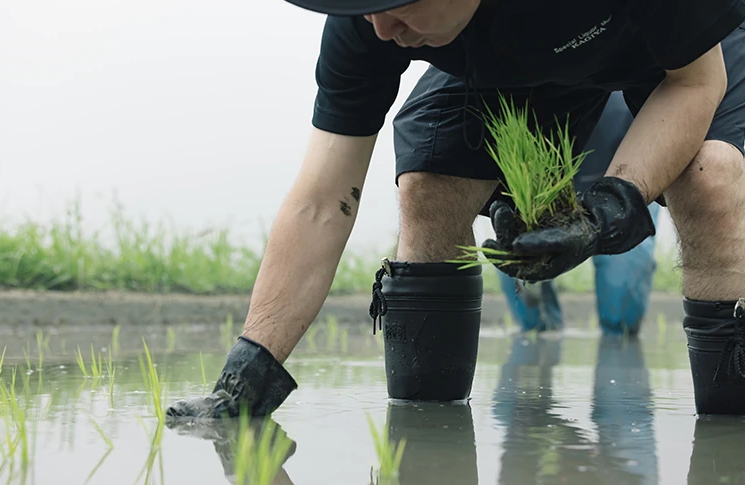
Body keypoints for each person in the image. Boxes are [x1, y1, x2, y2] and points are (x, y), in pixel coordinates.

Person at [165, 0, 745, 419]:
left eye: (401, 5)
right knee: (429, 183)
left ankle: (729, 428)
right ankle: (425, 427)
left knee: (711, 181)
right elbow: (321, 199)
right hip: (520, 61)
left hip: (691, 51)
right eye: (370, 7)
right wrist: (251, 365)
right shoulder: (368, 19)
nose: (381, 26)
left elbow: (696, 81)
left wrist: (610, 204)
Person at [492, 91, 661, 335]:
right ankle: (539, 333)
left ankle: (618, 337)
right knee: (517, 262)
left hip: (622, 180)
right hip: (543, 191)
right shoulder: (516, 93)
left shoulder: (626, 90)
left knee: (622, 287)